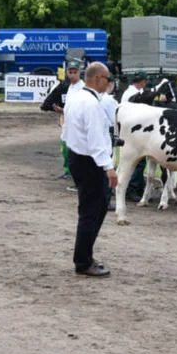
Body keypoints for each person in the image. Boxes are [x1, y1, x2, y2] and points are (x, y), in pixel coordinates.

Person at [63, 62, 117, 278]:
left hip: (77, 156)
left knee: (97, 207)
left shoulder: (75, 98)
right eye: (106, 79)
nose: (108, 83)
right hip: (90, 161)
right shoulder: (92, 104)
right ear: (97, 79)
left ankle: (85, 255)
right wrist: (109, 167)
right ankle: (83, 261)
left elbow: (67, 129)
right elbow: (96, 139)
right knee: (91, 212)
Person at [42, 59, 84, 184]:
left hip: (77, 124)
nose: (72, 74)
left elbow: (80, 108)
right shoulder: (68, 87)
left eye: (74, 72)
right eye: (70, 72)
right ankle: (69, 171)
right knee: (65, 147)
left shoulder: (82, 88)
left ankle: (75, 173)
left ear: (79, 73)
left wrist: (64, 110)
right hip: (67, 122)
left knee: (75, 149)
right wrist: (61, 111)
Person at [120, 71, 149, 199]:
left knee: (135, 161)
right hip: (134, 130)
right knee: (138, 161)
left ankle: (138, 188)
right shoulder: (134, 94)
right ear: (142, 82)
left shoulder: (128, 92)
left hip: (130, 129)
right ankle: (132, 189)